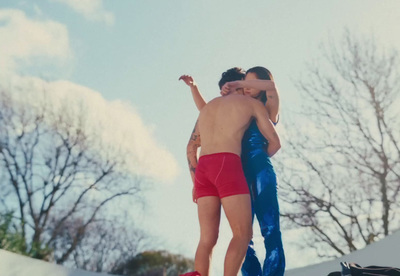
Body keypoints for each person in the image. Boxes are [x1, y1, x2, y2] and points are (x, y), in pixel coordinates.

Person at [180, 66, 285, 276]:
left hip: (204, 171)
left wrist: (195, 184)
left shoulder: (210, 108)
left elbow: (191, 147)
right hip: (229, 166)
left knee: (207, 239)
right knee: (242, 234)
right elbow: (275, 142)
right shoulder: (251, 104)